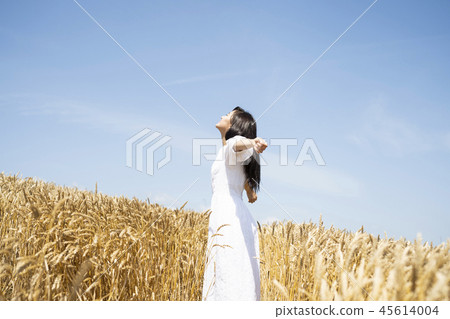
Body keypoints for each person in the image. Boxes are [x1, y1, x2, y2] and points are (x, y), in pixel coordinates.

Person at [202, 106, 268, 301]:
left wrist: (251, 142)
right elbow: (243, 179)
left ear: (234, 126)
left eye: (228, 115)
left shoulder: (233, 146)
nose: (222, 115)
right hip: (233, 213)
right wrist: (250, 193)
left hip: (229, 217)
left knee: (227, 270)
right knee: (232, 270)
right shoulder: (229, 153)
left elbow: (237, 143)